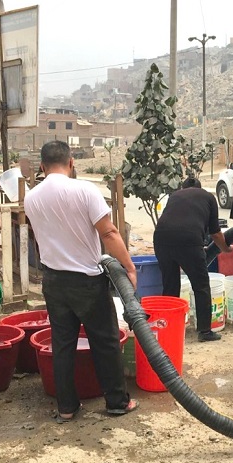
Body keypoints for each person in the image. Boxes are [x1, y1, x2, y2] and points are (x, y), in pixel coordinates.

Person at [25, 140, 138, 421]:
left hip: (53, 281)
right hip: (87, 281)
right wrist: (129, 267)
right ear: (71, 162)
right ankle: (116, 402)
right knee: (106, 341)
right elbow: (109, 233)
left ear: (42, 166)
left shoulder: (32, 197)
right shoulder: (85, 189)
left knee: (62, 344)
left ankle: (66, 407)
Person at [154, 177, 233, 342]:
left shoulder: (175, 195)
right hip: (189, 240)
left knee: (170, 285)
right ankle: (205, 332)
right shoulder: (208, 197)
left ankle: (169, 326)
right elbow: (215, 233)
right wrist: (225, 248)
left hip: (161, 239)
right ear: (200, 187)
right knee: (201, 285)